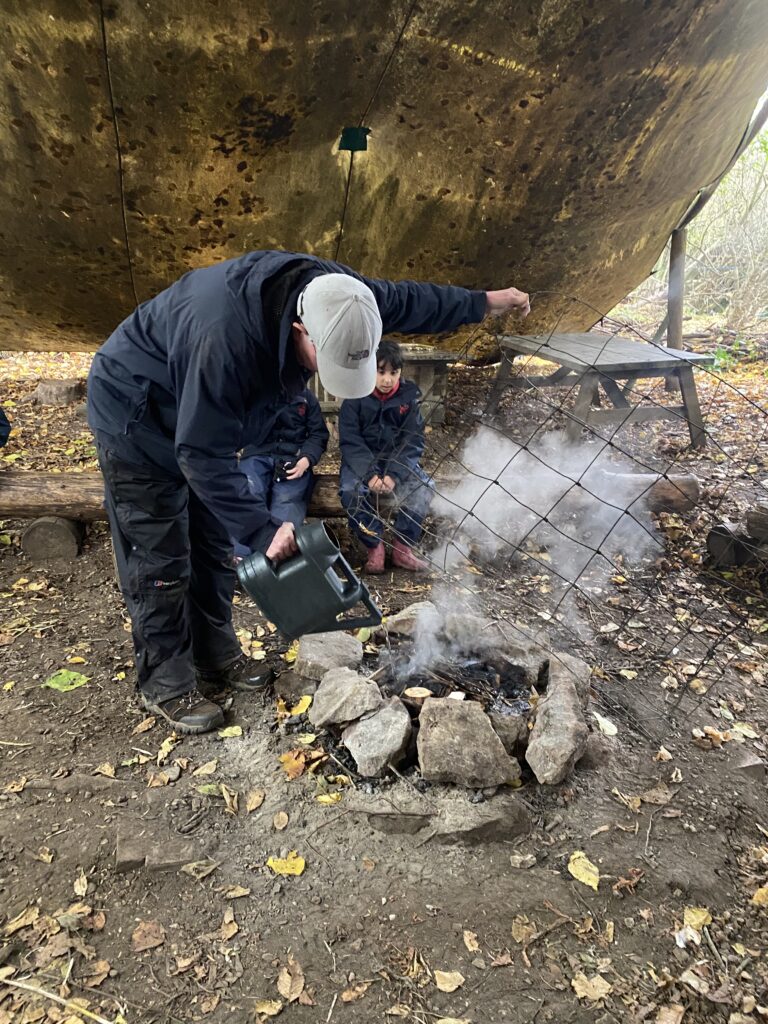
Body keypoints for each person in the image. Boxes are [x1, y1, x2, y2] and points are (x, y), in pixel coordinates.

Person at [87, 249, 530, 734]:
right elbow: (198, 452)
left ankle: (215, 657)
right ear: (301, 329)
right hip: (138, 413)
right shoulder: (225, 340)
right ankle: (166, 682)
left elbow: (409, 300)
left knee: (211, 541)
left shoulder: (346, 298)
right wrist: (261, 529)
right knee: (161, 555)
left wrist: (482, 302)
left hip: (200, 415)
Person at [339, 339, 433, 574]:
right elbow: (351, 442)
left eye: (394, 372)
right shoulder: (354, 398)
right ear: (370, 369)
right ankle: (374, 546)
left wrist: (393, 474)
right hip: (362, 461)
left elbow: (412, 441)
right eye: (380, 372)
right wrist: (370, 475)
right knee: (350, 493)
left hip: (397, 460)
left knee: (424, 487)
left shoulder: (408, 400)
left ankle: (403, 547)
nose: (387, 379)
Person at [233, 387, 329, 558]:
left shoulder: (306, 398)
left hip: (292, 459)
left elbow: (318, 434)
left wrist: (306, 460)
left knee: (288, 500)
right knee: (249, 491)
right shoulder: (255, 392)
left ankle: (276, 558)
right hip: (257, 454)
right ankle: (241, 558)